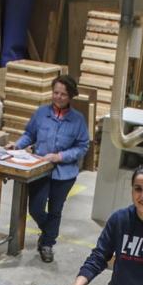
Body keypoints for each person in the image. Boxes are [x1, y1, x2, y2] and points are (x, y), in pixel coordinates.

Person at [9, 74, 90, 263]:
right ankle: (49, 232)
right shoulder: (41, 113)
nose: (58, 97)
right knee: (35, 208)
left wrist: (60, 156)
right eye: (55, 93)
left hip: (65, 174)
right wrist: (17, 145)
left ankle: (47, 244)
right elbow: (30, 134)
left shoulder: (78, 120)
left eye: (63, 94)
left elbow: (82, 146)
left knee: (55, 210)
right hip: (39, 169)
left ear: (70, 96)